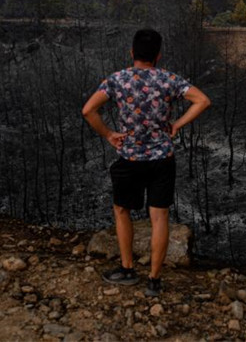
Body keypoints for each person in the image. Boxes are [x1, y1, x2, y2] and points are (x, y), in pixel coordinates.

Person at [81, 28, 211, 297]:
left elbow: (88, 110)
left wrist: (108, 134)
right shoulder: (169, 80)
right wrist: (177, 124)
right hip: (162, 159)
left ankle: (127, 269)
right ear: (158, 55)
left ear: (132, 52)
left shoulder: (117, 80)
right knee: (159, 217)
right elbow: (202, 101)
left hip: (130, 158)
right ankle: (154, 280)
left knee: (122, 211)